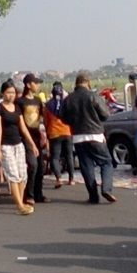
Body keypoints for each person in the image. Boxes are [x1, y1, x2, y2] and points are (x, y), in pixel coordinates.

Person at [60, 74, 117, 204]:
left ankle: (93, 196)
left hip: (78, 137)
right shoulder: (93, 96)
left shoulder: (68, 99)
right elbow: (105, 114)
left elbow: (63, 117)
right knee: (106, 162)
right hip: (95, 134)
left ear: (76, 83)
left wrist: (73, 122)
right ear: (88, 83)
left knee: (86, 167)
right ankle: (106, 189)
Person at [0, 80, 37, 215]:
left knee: (22, 175)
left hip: (18, 144)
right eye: (8, 93)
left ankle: (21, 200)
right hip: (6, 145)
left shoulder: (17, 108)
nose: (11, 95)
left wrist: (32, 144)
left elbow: (23, 128)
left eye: (13, 93)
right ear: (3, 93)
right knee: (13, 175)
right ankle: (19, 205)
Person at [16, 73, 47, 205]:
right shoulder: (20, 102)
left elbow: (41, 119)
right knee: (32, 165)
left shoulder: (37, 100)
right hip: (25, 137)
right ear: (28, 85)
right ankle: (29, 194)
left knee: (41, 166)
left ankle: (38, 194)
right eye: (36, 83)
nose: (38, 85)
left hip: (36, 135)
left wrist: (44, 134)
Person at [44, 81, 74, 188]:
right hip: (67, 132)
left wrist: (47, 133)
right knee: (69, 155)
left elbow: (46, 121)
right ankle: (71, 179)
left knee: (55, 157)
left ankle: (58, 178)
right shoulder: (67, 103)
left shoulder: (47, 105)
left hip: (54, 133)